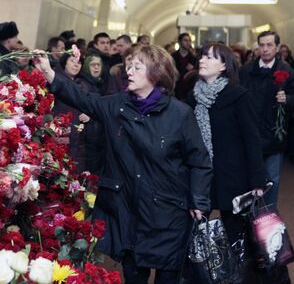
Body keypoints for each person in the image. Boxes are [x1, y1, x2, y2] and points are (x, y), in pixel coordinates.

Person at [33, 45, 212, 284]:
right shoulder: (117, 105)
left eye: (137, 67)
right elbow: (82, 99)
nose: (129, 71)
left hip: (169, 213)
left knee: (169, 276)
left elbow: (199, 162)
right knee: (133, 275)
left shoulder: (180, 114)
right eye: (129, 66)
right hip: (129, 212)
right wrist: (49, 73)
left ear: (156, 74)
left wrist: (199, 200)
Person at [186, 44, 268, 283]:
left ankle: (240, 277)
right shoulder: (192, 97)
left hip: (233, 178)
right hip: (201, 177)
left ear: (224, 66)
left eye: (210, 57)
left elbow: (252, 140)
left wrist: (257, 181)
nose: (203, 60)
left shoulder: (238, 96)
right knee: (195, 233)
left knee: (237, 237)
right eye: (202, 55)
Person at [239, 31, 294, 207]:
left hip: (273, 135)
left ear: (277, 47)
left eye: (269, 45)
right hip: (249, 134)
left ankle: (268, 219)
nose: (265, 49)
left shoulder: (286, 70)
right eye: (262, 45)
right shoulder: (246, 70)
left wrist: (289, 99)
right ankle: (247, 222)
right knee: (248, 180)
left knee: (273, 180)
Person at [52, 53, 85, 171]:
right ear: (64, 63)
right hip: (59, 130)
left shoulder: (81, 84)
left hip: (75, 133)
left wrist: (87, 114)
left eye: (79, 62)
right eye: (72, 61)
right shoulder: (56, 80)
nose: (76, 65)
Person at [77, 54, 106, 175]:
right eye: (93, 65)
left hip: (96, 134)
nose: (96, 68)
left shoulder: (99, 83)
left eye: (98, 65)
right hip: (87, 135)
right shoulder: (83, 83)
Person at [172, 33, 198, 100]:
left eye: (189, 41)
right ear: (180, 42)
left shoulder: (193, 58)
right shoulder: (173, 56)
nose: (188, 43)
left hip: (189, 90)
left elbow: (197, 74)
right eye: (185, 40)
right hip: (176, 89)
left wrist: (193, 70)